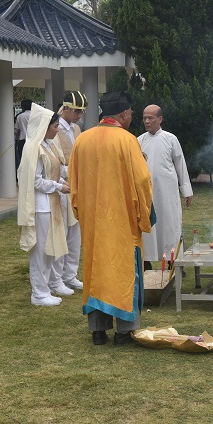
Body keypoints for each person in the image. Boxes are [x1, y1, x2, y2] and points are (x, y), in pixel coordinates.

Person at [69, 90, 153, 346]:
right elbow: (142, 182)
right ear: (124, 113)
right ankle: (124, 331)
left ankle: (98, 331)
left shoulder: (82, 140)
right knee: (123, 272)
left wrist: (80, 211)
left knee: (96, 271)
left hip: (94, 221)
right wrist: (144, 216)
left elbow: (73, 184)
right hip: (121, 220)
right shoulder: (127, 141)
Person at [18, 106, 70, 306]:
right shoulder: (33, 148)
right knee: (40, 250)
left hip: (52, 202)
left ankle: (45, 287)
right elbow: (36, 180)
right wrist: (58, 186)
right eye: (55, 126)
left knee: (49, 248)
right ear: (45, 127)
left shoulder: (48, 145)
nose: (58, 129)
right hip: (41, 206)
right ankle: (38, 293)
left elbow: (57, 168)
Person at [138, 104, 193, 266]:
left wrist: (186, 190)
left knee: (169, 224)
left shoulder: (170, 139)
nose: (147, 122)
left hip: (167, 192)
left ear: (160, 119)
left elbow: (180, 164)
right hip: (147, 193)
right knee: (149, 227)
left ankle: (173, 261)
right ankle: (146, 260)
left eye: (151, 118)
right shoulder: (139, 140)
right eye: (144, 118)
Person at [48, 90, 88, 292]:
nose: (79, 115)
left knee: (75, 233)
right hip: (61, 185)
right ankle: (56, 279)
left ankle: (70, 275)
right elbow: (54, 161)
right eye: (76, 111)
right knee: (61, 233)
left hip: (76, 185)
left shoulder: (76, 129)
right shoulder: (54, 129)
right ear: (65, 109)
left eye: (81, 112)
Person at [14, 99, 32, 172]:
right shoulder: (36, 115)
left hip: (23, 140)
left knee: (23, 160)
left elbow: (17, 130)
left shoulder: (20, 116)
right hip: (34, 140)